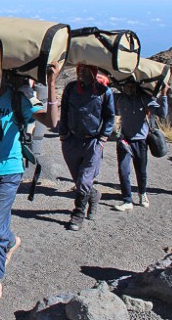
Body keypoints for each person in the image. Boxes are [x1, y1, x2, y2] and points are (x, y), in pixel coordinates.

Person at [0, 64, 59, 301]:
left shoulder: (20, 96)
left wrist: (51, 84)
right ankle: (10, 241)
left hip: (9, 170)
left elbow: (52, 121)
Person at [58, 64, 116, 231]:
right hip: (71, 140)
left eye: (85, 70)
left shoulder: (104, 92)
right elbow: (64, 112)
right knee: (79, 180)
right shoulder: (70, 88)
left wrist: (102, 139)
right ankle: (94, 195)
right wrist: (63, 135)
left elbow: (109, 117)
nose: (81, 73)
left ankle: (78, 214)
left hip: (93, 142)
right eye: (79, 70)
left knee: (84, 180)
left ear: (93, 72)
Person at [112, 80, 169, 211]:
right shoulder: (119, 99)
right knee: (123, 170)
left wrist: (164, 94)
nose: (129, 89)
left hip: (140, 141)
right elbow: (103, 99)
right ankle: (127, 200)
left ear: (137, 88)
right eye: (126, 86)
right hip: (124, 140)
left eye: (131, 86)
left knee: (141, 171)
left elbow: (163, 114)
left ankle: (142, 193)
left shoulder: (144, 99)